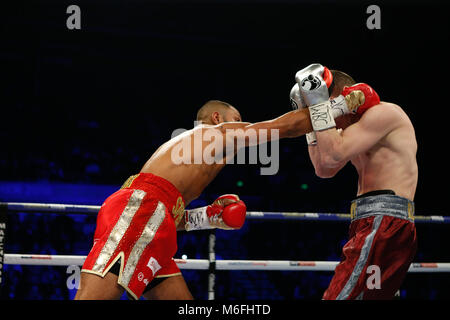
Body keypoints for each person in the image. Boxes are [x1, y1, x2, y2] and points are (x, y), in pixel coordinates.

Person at [74, 99, 326, 300]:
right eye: (238, 120)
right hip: (141, 211)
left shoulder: (191, 156)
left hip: (150, 218)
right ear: (218, 118)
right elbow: (284, 127)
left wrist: (208, 217)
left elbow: (166, 215)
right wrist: (335, 106)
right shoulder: (214, 133)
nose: (242, 125)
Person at [293, 64, 418, 300]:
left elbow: (332, 155)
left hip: (385, 221)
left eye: (325, 104)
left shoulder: (384, 113)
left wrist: (319, 106)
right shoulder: (352, 130)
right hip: (369, 221)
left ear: (343, 97)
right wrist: (311, 123)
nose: (328, 121)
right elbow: (323, 169)